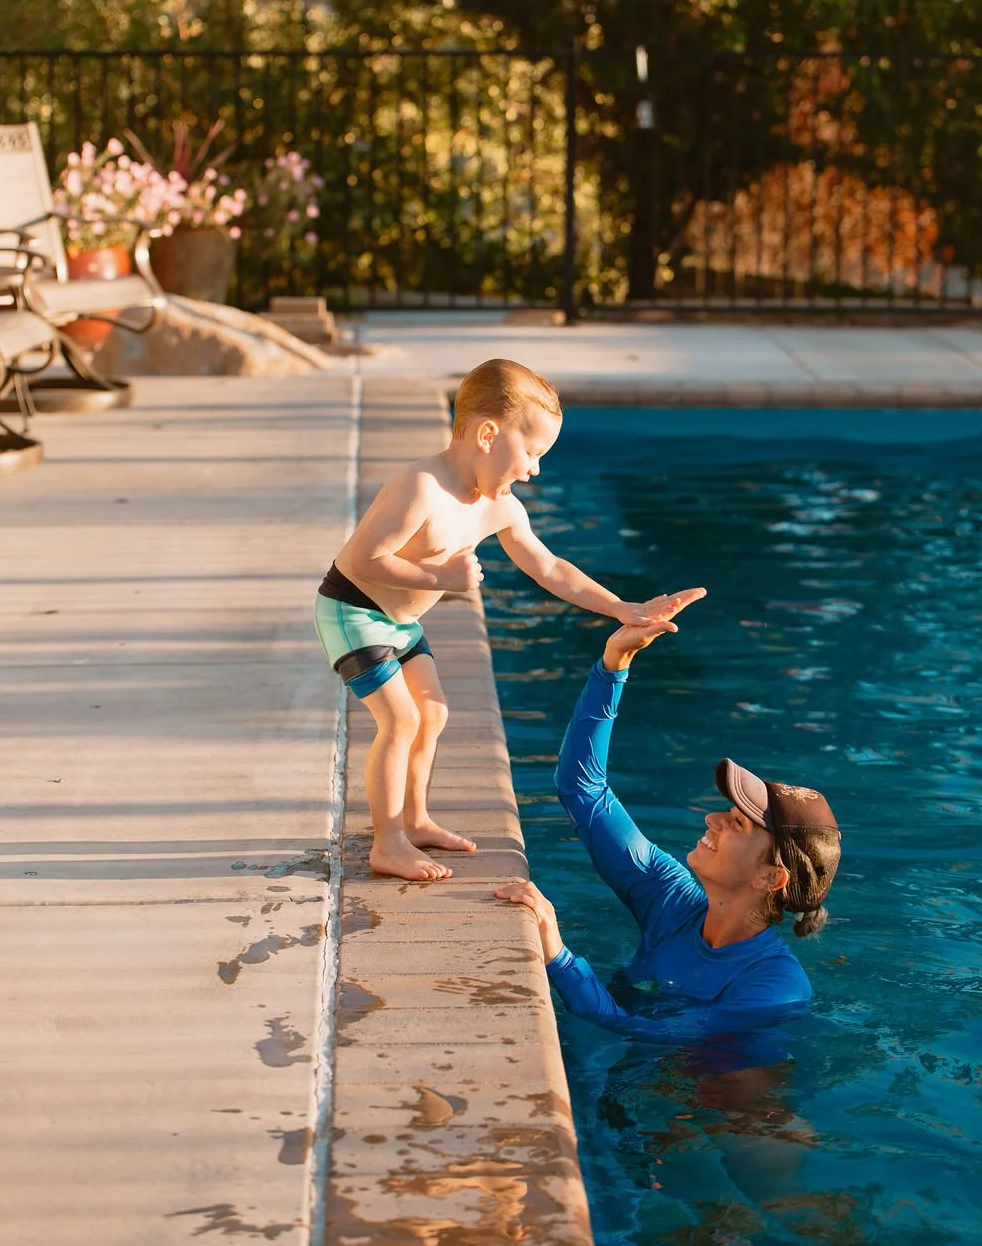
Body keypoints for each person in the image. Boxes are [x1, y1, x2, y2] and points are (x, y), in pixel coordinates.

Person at [315, 359, 684, 883]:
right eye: (531, 452)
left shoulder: (499, 506)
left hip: (397, 622)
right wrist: (442, 574)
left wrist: (623, 608)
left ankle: (415, 820)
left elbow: (551, 568)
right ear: (488, 434)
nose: (534, 469)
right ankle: (388, 843)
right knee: (401, 721)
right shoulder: (422, 486)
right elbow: (363, 561)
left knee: (434, 714)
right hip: (353, 609)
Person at [496, 607, 842, 1038]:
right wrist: (613, 665)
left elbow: (644, 1033)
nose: (712, 819)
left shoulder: (776, 988)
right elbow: (582, 793)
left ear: (771, 877)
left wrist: (561, 958)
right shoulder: (671, 899)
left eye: (737, 824)